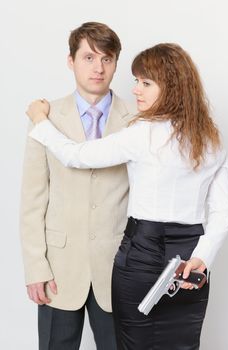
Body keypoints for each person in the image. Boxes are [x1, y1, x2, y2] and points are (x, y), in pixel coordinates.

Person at [26, 43, 228, 350]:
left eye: (145, 83)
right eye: (137, 81)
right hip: (190, 257)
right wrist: (202, 258)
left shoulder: (142, 133)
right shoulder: (209, 138)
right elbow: (224, 212)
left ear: (173, 87)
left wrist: (40, 121)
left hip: (141, 254)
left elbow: (75, 156)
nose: (136, 90)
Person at [20, 22, 136, 350]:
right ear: (70, 61)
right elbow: (32, 199)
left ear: (116, 63)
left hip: (117, 271)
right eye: (88, 58)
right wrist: (35, 267)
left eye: (107, 59)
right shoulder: (46, 117)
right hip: (58, 269)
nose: (98, 68)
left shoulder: (136, 119)